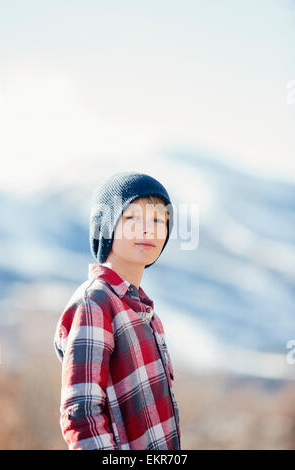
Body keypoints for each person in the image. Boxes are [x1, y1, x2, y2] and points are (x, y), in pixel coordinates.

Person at [53, 171, 181, 450]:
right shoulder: (95, 302)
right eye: (133, 218)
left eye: (159, 220)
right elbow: (81, 414)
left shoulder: (147, 314)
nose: (148, 230)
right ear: (106, 227)